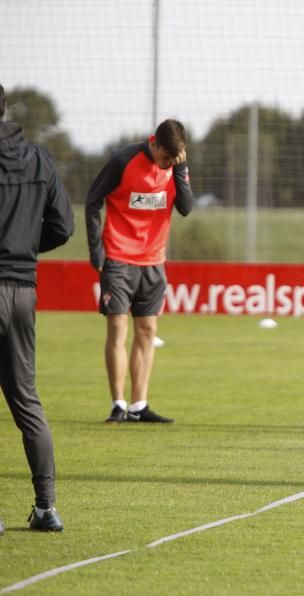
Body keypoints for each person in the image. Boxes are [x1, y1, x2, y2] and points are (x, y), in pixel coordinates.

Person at [0, 83, 74, 532]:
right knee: (27, 400)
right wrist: (26, 247)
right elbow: (63, 226)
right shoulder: (39, 158)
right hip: (24, 290)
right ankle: (46, 507)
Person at [85, 119, 192, 424]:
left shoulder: (176, 166)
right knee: (118, 328)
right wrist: (97, 249)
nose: (166, 164)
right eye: (164, 158)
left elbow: (186, 208)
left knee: (147, 331)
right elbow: (93, 201)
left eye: (173, 160)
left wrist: (180, 172)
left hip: (154, 261)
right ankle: (118, 403)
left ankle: (138, 406)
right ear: (154, 143)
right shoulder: (123, 160)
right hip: (118, 257)